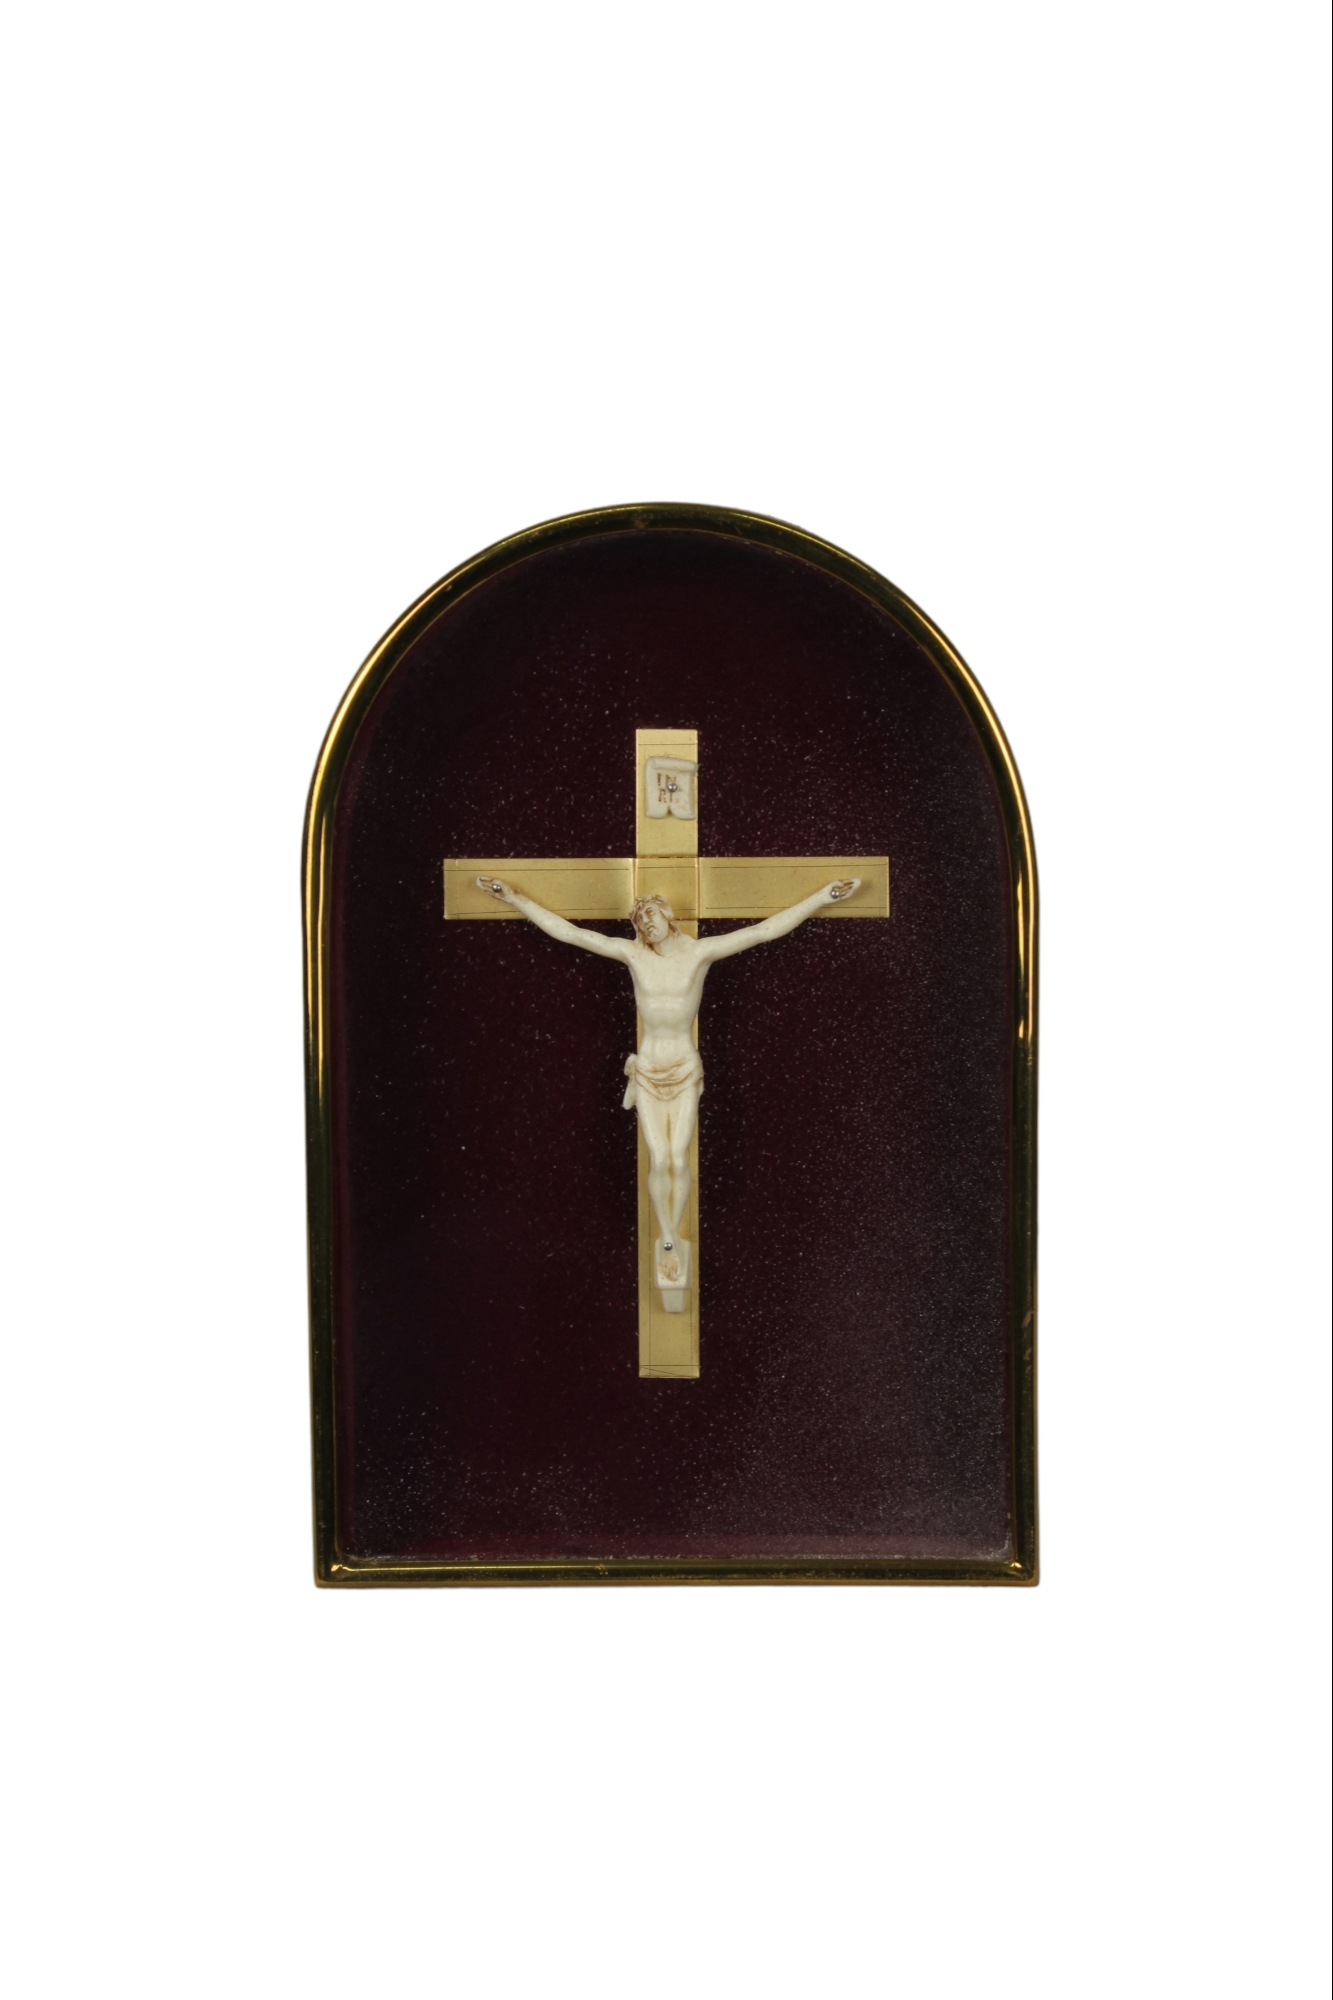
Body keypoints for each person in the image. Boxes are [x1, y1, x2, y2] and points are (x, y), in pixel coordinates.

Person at [476, 873, 861, 1285]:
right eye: (640, 921)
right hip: (647, 1068)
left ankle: (673, 1231)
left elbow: (763, 931)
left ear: (668, 914)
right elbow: (571, 934)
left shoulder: (699, 954)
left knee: (678, 1157)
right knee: (659, 1158)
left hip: (683, 1067)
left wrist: (822, 897)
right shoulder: (633, 955)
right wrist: (515, 899)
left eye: (651, 916)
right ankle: (668, 1235)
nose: (647, 925)